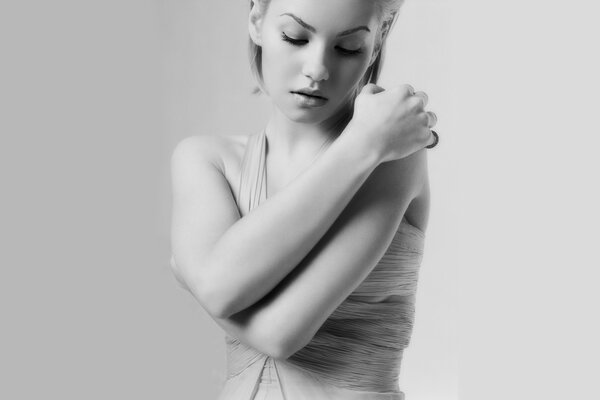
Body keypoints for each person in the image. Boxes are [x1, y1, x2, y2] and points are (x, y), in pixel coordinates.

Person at [169, 0, 439, 398]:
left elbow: (281, 336)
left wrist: (366, 144)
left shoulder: (392, 159)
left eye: (347, 48)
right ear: (257, 20)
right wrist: (364, 143)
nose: (317, 70)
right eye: (295, 37)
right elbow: (218, 288)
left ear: (378, 40)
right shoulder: (206, 159)